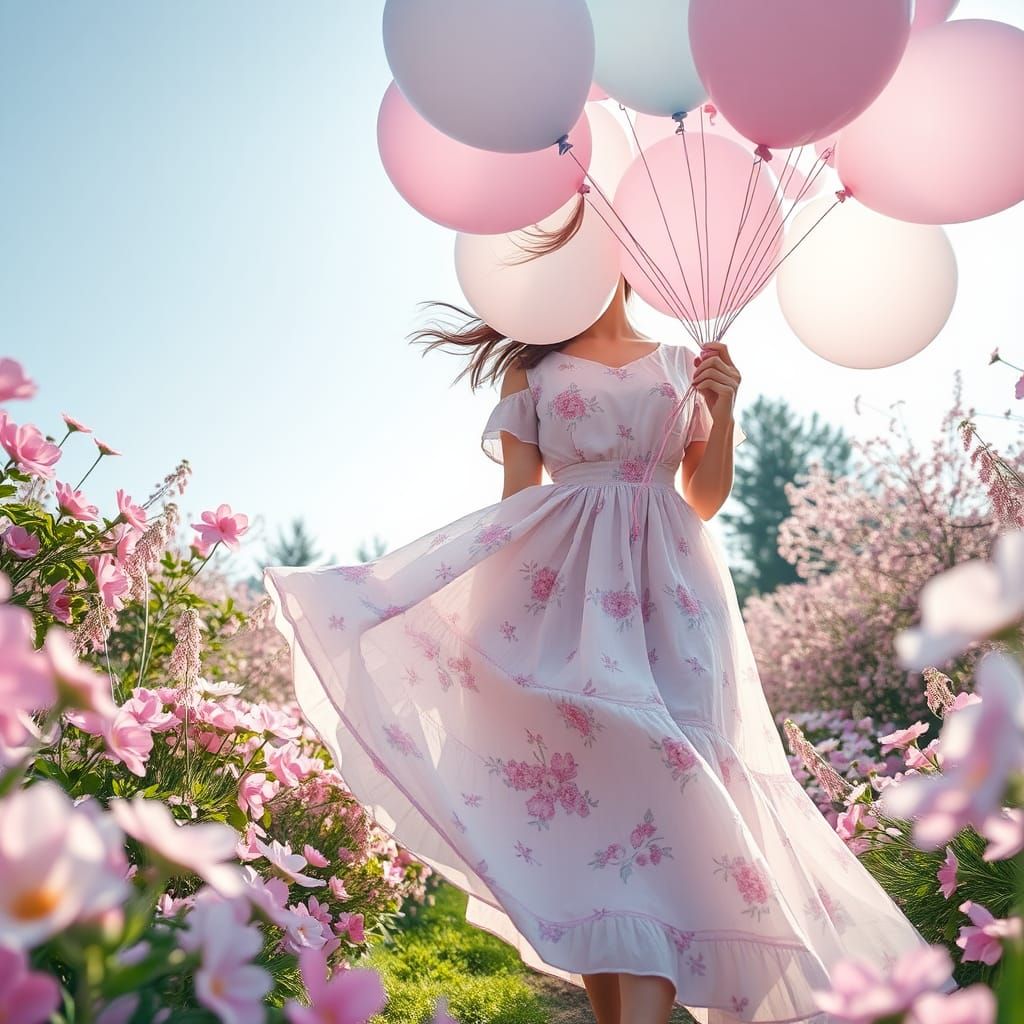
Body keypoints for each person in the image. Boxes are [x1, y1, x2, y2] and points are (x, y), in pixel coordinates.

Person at [263, 270, 938, 1024]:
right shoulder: (534, 369)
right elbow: (519, 501)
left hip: (673, 595)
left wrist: (725, 405)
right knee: (594, 816)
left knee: (672, 779)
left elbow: (703, 499)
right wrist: (478, 630)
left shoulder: (682, 362)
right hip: (560, 595)